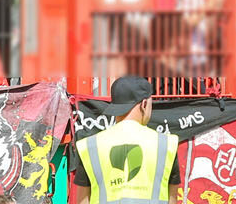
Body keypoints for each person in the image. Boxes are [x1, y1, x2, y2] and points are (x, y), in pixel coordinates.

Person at [74, 75, 182, 204]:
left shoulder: (91, 146)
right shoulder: (165, 144)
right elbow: (172, 199)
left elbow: (82, 200)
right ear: (144, 104)